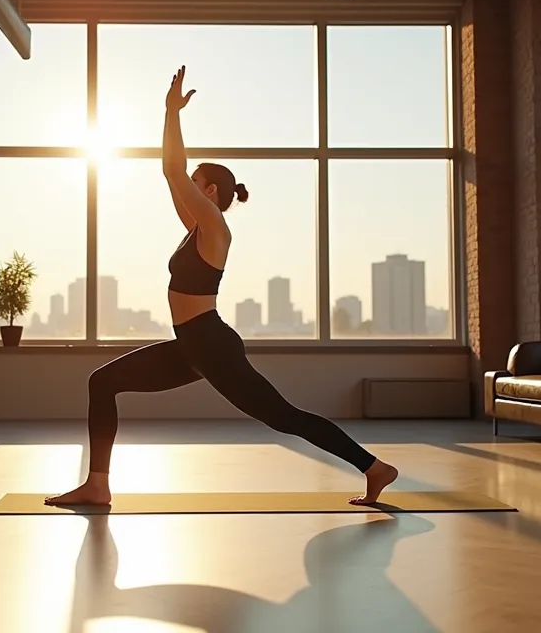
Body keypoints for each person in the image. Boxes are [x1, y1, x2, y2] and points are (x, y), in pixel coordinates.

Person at [45, 66, 399, 508]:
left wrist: (172, 113)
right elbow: (171, 175)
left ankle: (374, 468)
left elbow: (172, 169)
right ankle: (97, 485)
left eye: (196, 184)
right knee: (103, 382)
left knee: (283, 417)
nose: (187, 187)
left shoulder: (214, 226)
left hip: (210, 345)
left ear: (210, 191)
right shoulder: (197, 228)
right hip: (190, 345)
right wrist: (170, 123)